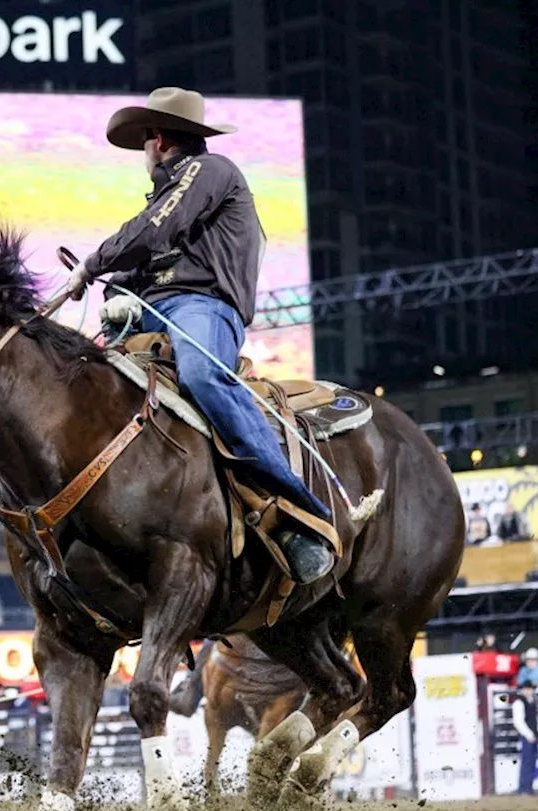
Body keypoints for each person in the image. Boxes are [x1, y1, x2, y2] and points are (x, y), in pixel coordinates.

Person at [62, 87, 335, 586]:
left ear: (158, 138)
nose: (144, 150)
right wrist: (116, 290)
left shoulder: (210, 172)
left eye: (146, 140)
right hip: (154, 313)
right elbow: (152, 250)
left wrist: (93, 264)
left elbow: (152, 230)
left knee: (202, 374)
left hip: (202, 307)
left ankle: (299, 509)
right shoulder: (177, 192)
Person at [512, 681, 538, 795]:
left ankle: (528, 787)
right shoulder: (519, 703)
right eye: (527, 689)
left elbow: (537, 719)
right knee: (527, 761)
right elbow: (518, 722)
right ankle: (524, 787)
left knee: (532, 760)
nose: (529, 691)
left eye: (530, 689)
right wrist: (529, 734)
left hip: (533, 734)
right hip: (527, 736)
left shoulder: (533, 701)